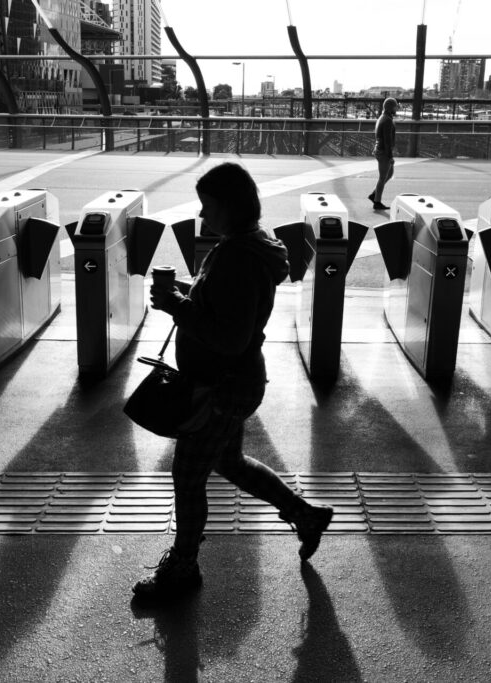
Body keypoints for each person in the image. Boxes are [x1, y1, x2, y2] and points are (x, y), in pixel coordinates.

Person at [135, 162, 334, 602]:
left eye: (208, 207)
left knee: (188, 477)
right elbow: (223, 304)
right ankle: (305, 515)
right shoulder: (248, 245)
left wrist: (176, 306)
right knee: (230, 462)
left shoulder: (238, 257)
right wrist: (185, 292)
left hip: (221, 387)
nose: (202, 216)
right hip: (232, 382)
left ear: (229, 206)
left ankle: (183, 568)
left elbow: (229, 337)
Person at [369, 97, 398, 210]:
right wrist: (390, 156)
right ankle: (377, 202)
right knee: (382, 178)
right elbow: (387, 141)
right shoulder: (387, 120)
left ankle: (374, 194)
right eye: (395, 107)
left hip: (380, 150)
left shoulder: (383, 117)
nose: (396, 109)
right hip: (383, 152)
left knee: (389, 174)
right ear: (390, 107)